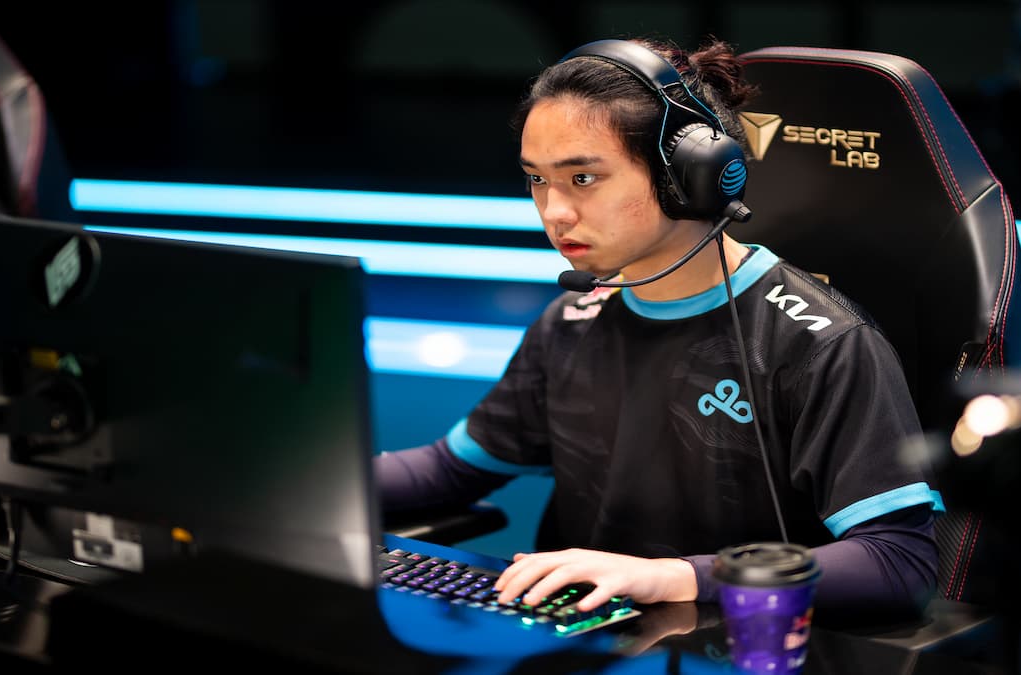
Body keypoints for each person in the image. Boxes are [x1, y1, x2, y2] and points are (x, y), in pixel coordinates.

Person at [374, 35, 942, 624]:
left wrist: (673, 577)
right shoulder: (572, 320)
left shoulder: (820, 345)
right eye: (538, 180)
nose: (554, 212)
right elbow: (451, 470)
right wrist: (285, 470)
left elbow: (898, 563)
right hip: (585, 643)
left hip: (730, 651)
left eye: (583, 179)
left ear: (689, 178)